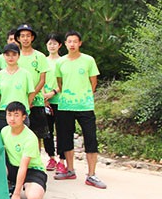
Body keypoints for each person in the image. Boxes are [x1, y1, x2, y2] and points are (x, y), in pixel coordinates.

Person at [54, 31, 106, 189]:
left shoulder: (88, 60)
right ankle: (70, 170)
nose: (72, 44)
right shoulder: (60, 62)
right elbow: (60, 82)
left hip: (85, 105)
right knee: (66, 138)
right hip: (65, 105)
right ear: (65, 43)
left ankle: (91, 174)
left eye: (75, 41)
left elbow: (93, 83)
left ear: (80, 43)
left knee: (90, 138)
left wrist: (84, 96)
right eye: (69, 41)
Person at [2, 101, 47, 199]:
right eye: (9, 115)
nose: (12, 118)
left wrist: (17, 194)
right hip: (13, 167)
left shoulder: (30, 138)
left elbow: (24, 167)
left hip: (32, 170)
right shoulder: (4, 131)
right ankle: (11, 183)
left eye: (16, 115)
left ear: (23, 117)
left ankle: (23, 186)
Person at [15, 24, 50, 143]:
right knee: (19, 134)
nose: (25, 39)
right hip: (19, 99)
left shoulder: (40, 56)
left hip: (36, 101)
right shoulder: (15, 56)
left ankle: (36, 155)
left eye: (28, 36)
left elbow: (42, 80)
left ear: (32, 38)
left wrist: (31, 96)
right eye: (22, 36)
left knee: (36, 136)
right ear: (18, 38)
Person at [0, 43, 33, 131]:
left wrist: (25, 106)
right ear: (3, 56)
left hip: (21, 112)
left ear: (19, 56)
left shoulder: (26, 74)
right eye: (7, 55)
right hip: (4, 113)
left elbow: (31, 93)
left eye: (14, 54)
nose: (10, 57)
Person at [43, 33, 66, 173]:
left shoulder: (63, 61)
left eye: (55, 43)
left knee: (62, 130)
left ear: (60, 45)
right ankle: (51, 157)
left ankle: (62, 160)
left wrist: (53, 92)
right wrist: (43, 96)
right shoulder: (42, 61)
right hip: (44, 101)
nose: (52, 46)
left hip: (60, 100)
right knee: (47, 131)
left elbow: (65, 81)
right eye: (49, 43)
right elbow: (39, 79)